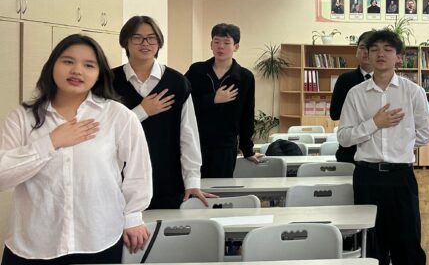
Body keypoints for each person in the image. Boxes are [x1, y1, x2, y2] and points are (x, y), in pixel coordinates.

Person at [0, 34, 152, 264]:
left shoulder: (118, 116)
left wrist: (133, 216)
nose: (77, 71)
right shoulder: (23, 117)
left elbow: (138, 170)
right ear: (52, 65)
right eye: (68, 61)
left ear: (99, 73)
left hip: (98, 238)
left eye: (89, 65)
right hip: (33, 244)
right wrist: (51, 142)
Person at [337, 29, 429, 265]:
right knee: (371, 243)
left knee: (408, 243)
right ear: (367, 55)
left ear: (398, 57)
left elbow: (424, 135)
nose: (381, 54)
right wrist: (374, 124)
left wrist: (400, 146)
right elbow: (344, 138)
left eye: (388, 49)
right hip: (367, 176)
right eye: (375, 49)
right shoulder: (356, 94)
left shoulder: (414, 92)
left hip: (401, 176)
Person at [112, 16, 213, 209]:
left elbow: (188, 135)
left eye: (151, 38)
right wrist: (142, 111)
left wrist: (192, 181)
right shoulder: (108, 81)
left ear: (159, 43)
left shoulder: (177, 83)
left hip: (167, 179)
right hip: (119, 181)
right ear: (125, 41)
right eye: (137, 37)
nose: (145, 43)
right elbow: (103, 132)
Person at [186, 23, 262, 178]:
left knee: (220, 187)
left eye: (226, 43)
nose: (220, 47)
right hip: (196, 142)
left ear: (236, 47)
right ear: (211, 44)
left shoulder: (244, 77)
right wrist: (213, 99)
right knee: (193, 186)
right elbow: (185, 103)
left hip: (225, 146)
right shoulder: (196, 71)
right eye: (216, 42)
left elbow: (247, 115)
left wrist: (247, 150)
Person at [329, 31, 375, 163]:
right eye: (362, 47)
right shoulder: (345, 79)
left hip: (376, 149)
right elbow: (334, 114)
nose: (366, 52)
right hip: (350, 149)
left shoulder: (386, 81)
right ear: (356, 52)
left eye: (371, 48)